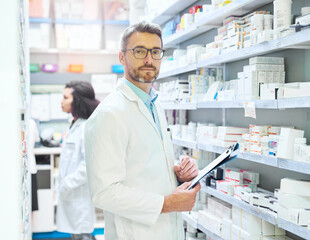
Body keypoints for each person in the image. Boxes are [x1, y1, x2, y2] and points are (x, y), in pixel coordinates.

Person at [84, 21, 200, 240]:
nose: (149, 59)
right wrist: (166, 204)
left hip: (167, 230)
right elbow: (103, 192)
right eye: (140, 51)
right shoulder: (109, 114)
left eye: (155, 52)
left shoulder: (155, 104)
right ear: (122, 57)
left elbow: (142, 165)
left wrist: (176, 173)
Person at [57, 81, 100, 240]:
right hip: (72, 193)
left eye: (66, 98)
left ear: (77, 101)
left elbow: (89, 164)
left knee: (82, 234)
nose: (61, 101)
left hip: (78, 193)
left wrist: (67, 183)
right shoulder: (75, 124)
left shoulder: (86, 127)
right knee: (77, 233)